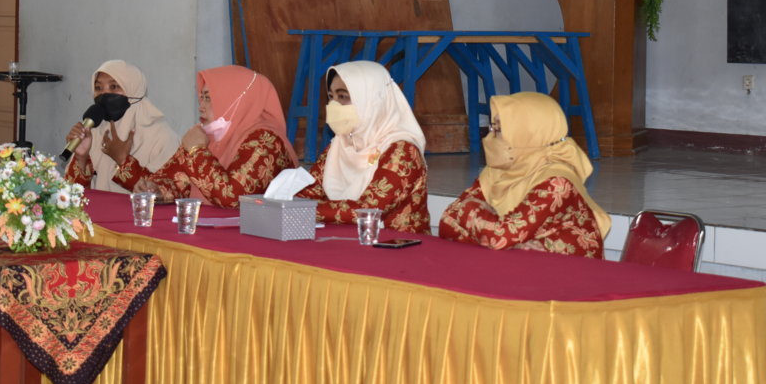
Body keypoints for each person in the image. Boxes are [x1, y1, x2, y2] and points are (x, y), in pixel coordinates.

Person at [438, 91, 611, 258]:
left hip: (567, 273)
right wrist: (510, 244)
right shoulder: (499, 169)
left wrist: (469, 209)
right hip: (517, 267)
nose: (490, 137)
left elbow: (499, 237)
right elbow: (447, 222)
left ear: (527, 133)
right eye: (492, 127)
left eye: (499, 130)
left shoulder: (557, 182)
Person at [130, 65, 297, 207]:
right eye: (201, 98)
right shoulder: (210, 134)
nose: (201, 107)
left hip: (257, 233)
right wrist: (156, 189)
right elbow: (177, 179)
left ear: (235, 101)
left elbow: (233, 198)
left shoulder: (266, 140)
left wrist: (197, 151)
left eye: (209, 99)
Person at [295, 60, 431, 233]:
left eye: (343, 97)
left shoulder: (403, 150)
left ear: (373, 100)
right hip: (348, 239)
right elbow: (308, 190)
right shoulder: (341, 143)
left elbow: (369, 209)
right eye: (331, 97)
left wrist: (299, 208)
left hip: (395, 243)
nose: (333, 105)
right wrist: (282, 202)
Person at [64, 59, 180, 194]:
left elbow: (166, 193)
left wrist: (123, 160)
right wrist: (81, 158)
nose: (104, 94)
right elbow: (71, 194)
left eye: (114, 87)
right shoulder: (93, 131)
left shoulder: (162, 137)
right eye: (98, 88)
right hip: (97, 208)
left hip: (136, 208)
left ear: (134, 89)